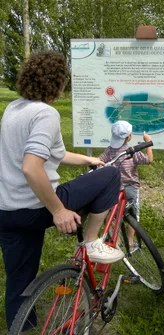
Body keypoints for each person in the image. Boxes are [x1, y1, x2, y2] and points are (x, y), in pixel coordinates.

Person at [0, 51, 124, 331]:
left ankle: (22, 328)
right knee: (111, 176)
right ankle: (92, 242)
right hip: (37, 207)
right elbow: (32, 167)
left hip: (7, 211)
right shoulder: (46, 113)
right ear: (58, 84)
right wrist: (58, 209)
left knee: (19, 279)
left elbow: (53, 152)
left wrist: (88, 159)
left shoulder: (13, 109)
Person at [99, 120, 153, 248]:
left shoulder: (110, 150)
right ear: (129, 136)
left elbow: (99, 161)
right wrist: (148, 144)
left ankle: (115, 240)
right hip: (131, 187)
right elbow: (149, 160)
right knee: (133, 215)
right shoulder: (131, 151)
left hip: (114, 188)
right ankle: (130, 241)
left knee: (113, 214)